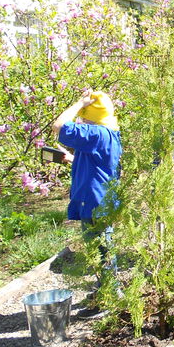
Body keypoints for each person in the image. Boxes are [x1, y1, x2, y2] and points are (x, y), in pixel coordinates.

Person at [53, 90, 122, 312]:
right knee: (103, 246)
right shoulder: (109, 133)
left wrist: (78, 104)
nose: (80, 120)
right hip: (102, 198)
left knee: (100, 247)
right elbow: (101, 163)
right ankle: (107, 289)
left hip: (95, 200)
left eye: (84, 116)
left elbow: (59, 126)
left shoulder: (95, 133)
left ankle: (110, 294)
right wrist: (71, 158)